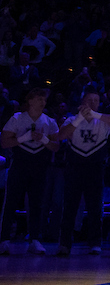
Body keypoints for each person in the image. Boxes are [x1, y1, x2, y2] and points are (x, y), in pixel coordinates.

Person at [56, 93, 110, 256]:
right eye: (89, 100)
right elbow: (61, 136)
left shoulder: (102, 121)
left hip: (95, 168)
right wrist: (79, 118)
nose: (92, 103)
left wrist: (95, 115)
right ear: (82, 102)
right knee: (70, 207)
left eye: (96, 100)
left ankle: (95, 243)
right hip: (75, 167)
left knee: (95, 207)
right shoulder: (72, 119)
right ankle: (64, 243)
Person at [0, 88, 60, 254]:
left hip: (40, 167)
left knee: (37, 204)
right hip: (19, 165)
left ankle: (34, 239)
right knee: (10, 202)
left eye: (44, 99)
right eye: (39, 99)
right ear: (31, 100)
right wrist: (24, 137)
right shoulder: (17, 118)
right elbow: (4, 142)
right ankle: (4, 240)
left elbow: (56, 147)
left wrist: (44, 139)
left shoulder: (49, 122)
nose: (43, 102)